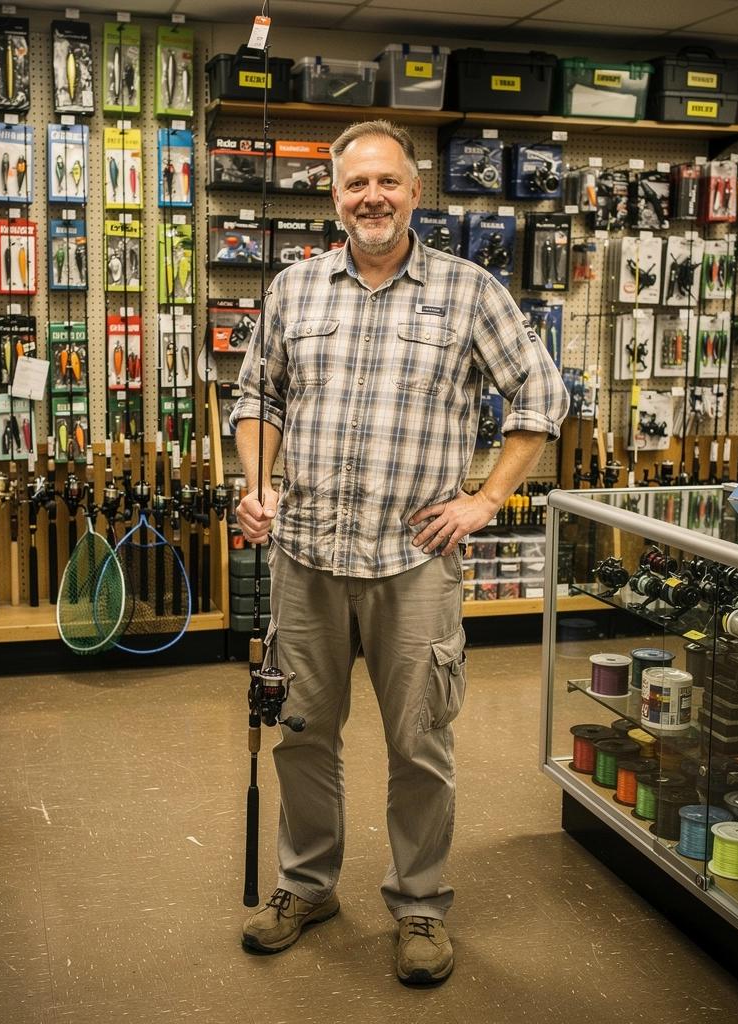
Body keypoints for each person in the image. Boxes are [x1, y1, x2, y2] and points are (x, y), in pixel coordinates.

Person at [230, 119, 568, 985]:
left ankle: (420, 904)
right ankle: (306, 887)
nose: (371, 197)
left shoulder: (469, 290)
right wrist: (256, 484)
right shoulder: (294, 290)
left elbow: (541, 395)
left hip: (412, 563)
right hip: (304, 559)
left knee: (420, 741)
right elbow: (256, 395)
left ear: (416, 192)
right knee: (302, 735)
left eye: (387, 182)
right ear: (334, 197)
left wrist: (488, 498)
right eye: (354, 185)